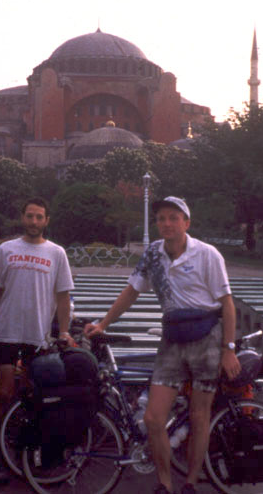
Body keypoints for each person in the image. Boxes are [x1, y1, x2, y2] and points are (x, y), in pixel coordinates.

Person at [84, 196, 241, 494]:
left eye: (173, 217)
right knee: (154, 417)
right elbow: (132, 291)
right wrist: (104, 323)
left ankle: (191, 482)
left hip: (206, 337)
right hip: (172, 339)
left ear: (186, 222)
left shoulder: (208, 255)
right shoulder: (154, 253)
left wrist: (228, 349)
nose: (166, 223)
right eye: (161, 218)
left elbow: (227, 304)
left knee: (199, 416)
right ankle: (165, 483)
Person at [0, 197, 74, 479]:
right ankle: (1, 449)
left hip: (37, 335)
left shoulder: (56, 253)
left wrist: (63, 330)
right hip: (6, 331)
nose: (34, 221)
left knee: (33, 395)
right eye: (30, 216)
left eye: (39, 217)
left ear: (47, 220)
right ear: (22, 217)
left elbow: (63, 297)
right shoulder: (6, 249)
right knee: (3, 394)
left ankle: (28, 447)